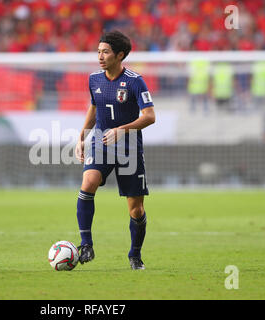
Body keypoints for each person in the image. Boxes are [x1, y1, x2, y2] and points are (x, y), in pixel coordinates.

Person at [74, 30, 156, 270]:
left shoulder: (134, 81)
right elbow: (94, 107)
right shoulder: (94, 79)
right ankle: (86, 243)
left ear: (120, 55)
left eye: (105, 52)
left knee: (136, 208)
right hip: (100, 141)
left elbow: (150, 116)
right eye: (98, 51)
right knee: (88, 182)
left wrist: (122, 129)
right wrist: (82, 136)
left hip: (128, 147)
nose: (100, 56)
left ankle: (135, 255)